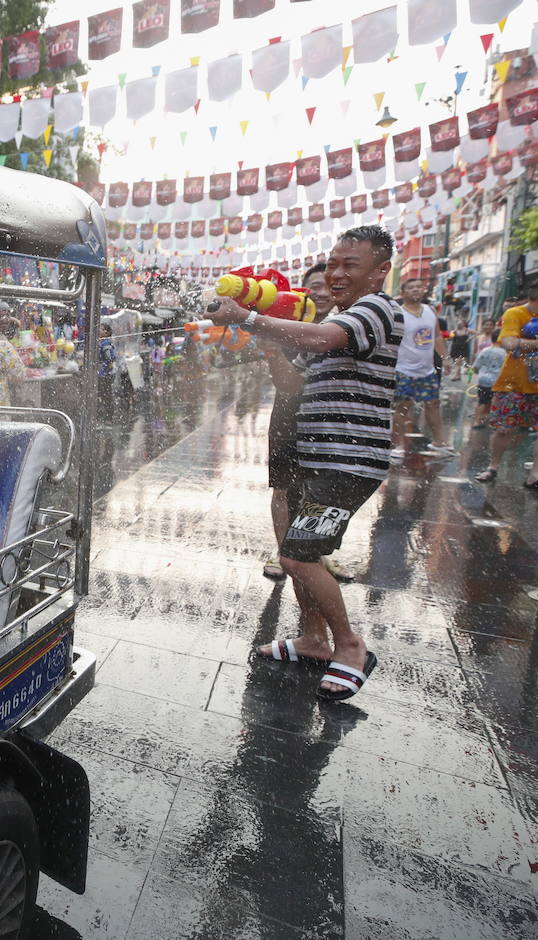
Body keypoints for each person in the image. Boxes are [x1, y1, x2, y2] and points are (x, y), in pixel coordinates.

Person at [211, 226, 402, 701]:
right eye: (333, 263)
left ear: (381, 271)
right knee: (299, 553)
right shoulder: (342, 317)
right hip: (314, 459)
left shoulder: (376, 310)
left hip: (347, 464)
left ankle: (351, 646)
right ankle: (313, 639)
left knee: (298, 555)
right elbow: (294, 389)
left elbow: (322, 340)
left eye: (350, 265)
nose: (336, 274)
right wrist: (270, 344)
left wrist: (253, 319)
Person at [259, 263, 351, 582]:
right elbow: (285, 379)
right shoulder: (286, 322)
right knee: (283, 487)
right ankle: (284, 550)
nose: (321, 292)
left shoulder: (349, 324)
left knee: (322, 490)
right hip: (288, 416)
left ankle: (315, 555)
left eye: (328, 285)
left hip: (330, 423)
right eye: (314, 285)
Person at [474, 279, 538, 493]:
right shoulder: (515, 314)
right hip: (512, 383)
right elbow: (509, 343)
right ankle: (493, 466)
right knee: (504, 429)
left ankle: (536, 475)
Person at [390, 279, 455, 460]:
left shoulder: (430, 311)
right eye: (411, 287)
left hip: (426, 370)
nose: (416, 290)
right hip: (403, 369)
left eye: (419, 286)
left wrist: (446, 359)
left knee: (433, 404)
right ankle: (399, 445)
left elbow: (437, 337)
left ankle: (440, 442)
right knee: (403, 407)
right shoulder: (398, 314)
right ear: (403, 293)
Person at [471, 336, 507, 429]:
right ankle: (492, 421)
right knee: (495, 401)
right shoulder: (505, 353)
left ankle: (477, 421)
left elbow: (475, 367)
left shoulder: (485, 350)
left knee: (482, 401)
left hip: (483, 380)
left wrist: (479, 374)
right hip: (497, 381)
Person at [97, 323, 118, 422]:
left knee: (105, 396)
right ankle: (107, 417)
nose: (98, 330)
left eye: (100, 329)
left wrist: (102, 368)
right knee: (105, 395)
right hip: (105, 374)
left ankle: (108, 417)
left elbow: (109, 358)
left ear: (106, 332)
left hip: (105, 375)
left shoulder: (105, 343)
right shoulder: (104, 342)